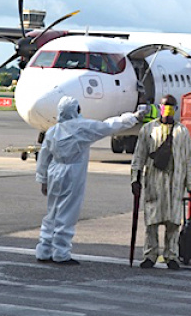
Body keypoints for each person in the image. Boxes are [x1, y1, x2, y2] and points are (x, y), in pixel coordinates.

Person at [36, 96, 143, 265]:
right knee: (67, 212)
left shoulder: (52, 131)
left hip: (54, 171)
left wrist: (43, 179)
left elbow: (43, 157)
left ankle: (44, 249)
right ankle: (61, 253)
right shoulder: (82, 127)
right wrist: (134, 117)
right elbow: (109, 126)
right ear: (76, 110)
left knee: (52, 212)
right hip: (72, 172)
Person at [131, 94, 191, 270]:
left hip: (175, 183)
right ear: (159, 108)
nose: (167, 109)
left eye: (171, 106)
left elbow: (188, 161)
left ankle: (171, 256)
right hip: (154, 181)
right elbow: (139, 156)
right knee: (151, 223)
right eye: (164, 105)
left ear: (176, 109)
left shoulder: (182, 132)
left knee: (173, 223)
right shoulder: (148, 130)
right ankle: (150, 255)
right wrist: (135, 179)